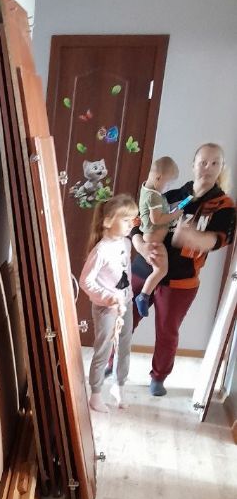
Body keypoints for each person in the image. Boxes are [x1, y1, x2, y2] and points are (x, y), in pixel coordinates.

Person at [129, 143, 236, 397]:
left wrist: (194, 238)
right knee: (124, 320)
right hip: (143, 268)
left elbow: (221, 239)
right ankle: (111, 362)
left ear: (222, 167)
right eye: (203, 162)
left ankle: (158, 377)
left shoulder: (224, 205)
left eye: (214, 163)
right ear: (193, 164)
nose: (208, 167)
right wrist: (140, 245)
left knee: (167, 332)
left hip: (180, 281)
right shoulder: (171, 194)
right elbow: (137, 223)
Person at [79, 194, 138, 413]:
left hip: (126, 304)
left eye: (133, 219)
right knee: (103, 349)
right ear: (108, 221)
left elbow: (124, 274)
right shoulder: (101, 250)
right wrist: (108, 297)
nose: (131, 224)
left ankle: (119, 386)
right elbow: (85, 281)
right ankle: (95, 394)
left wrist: (125, 297)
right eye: (126, 220)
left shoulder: (126, 243)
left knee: (124, 346)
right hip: (106, 308)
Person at [135, 156, 186, 318]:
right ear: (158, 178)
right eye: (168, 184)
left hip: (151, 238)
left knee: (159, 269)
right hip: (155, 241)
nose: (168, 188)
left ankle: (143, 295)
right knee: (161, 270)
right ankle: (143, 296)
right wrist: (175, 214)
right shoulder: (154, 196)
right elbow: (157, 219)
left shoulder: (148, 190)